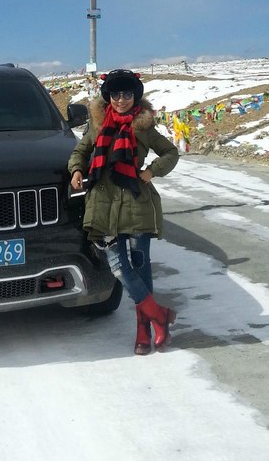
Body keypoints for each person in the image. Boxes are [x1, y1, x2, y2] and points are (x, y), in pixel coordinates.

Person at [68, 68, 179, 355]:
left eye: (127, 94)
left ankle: (144, 331)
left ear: (135, 96)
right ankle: (159, 315)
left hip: (136, 202)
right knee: (119, 266)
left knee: (141, 267)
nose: (121, 99)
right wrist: (77, 169)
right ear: (108, 96)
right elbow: (80, 151)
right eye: (116, 94)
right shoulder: (97, 125)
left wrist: (152, 171)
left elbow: (171, 152)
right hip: (103, 204)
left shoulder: (143, 126)